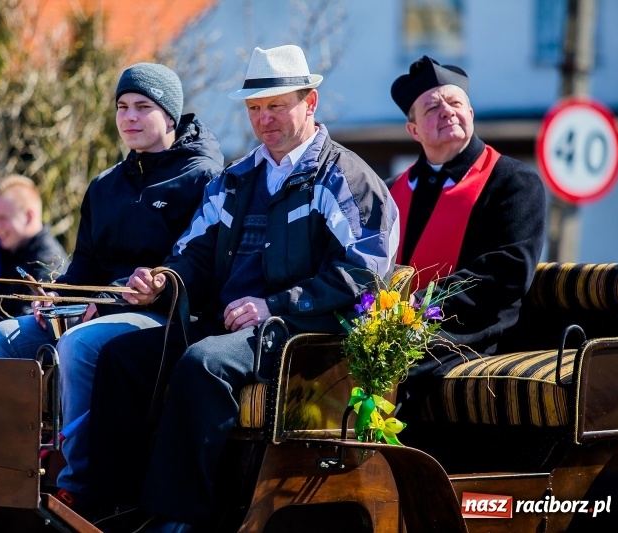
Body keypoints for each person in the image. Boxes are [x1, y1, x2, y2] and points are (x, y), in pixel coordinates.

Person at [79, 45, 399, 532]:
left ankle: (178, 519)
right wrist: (163, 280)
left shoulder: (345, 177)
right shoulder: (236, 178)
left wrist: (272, 305)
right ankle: (110, 508)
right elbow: (196, 253)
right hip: (230, 324)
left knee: (203, 364)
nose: (264, 119)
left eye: (276, 105)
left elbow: (365, 273)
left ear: (309, 103)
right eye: (254, 108)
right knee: (124, 357)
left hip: (301, 330)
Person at [0, 63, 224, 502]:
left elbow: (191, 268)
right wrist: (59, 295)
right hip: (97, 307)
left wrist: (111, 302)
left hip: (161, 317)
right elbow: (84, 265)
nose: (129, 117)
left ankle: (77, 486)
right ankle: (0, 473)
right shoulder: (104, 185)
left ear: (170, 115)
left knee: (80, 345)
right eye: (122, 107)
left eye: (143, 107)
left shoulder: (203, 179)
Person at [387, 56, 546, 384]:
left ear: (470, 113)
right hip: (398, 325)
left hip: (474, 332)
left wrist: (428, 302)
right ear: (413, 130)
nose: (446, 110)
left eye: (455, 102)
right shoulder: (389, 193)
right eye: (432, 108)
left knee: (387, 364)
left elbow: (510, 268)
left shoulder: (512, 182)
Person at [0, 174, 69, 320]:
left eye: (3, 218)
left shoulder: (49, 262)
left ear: (29, 216)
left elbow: (26, 320)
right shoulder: (4, 251)